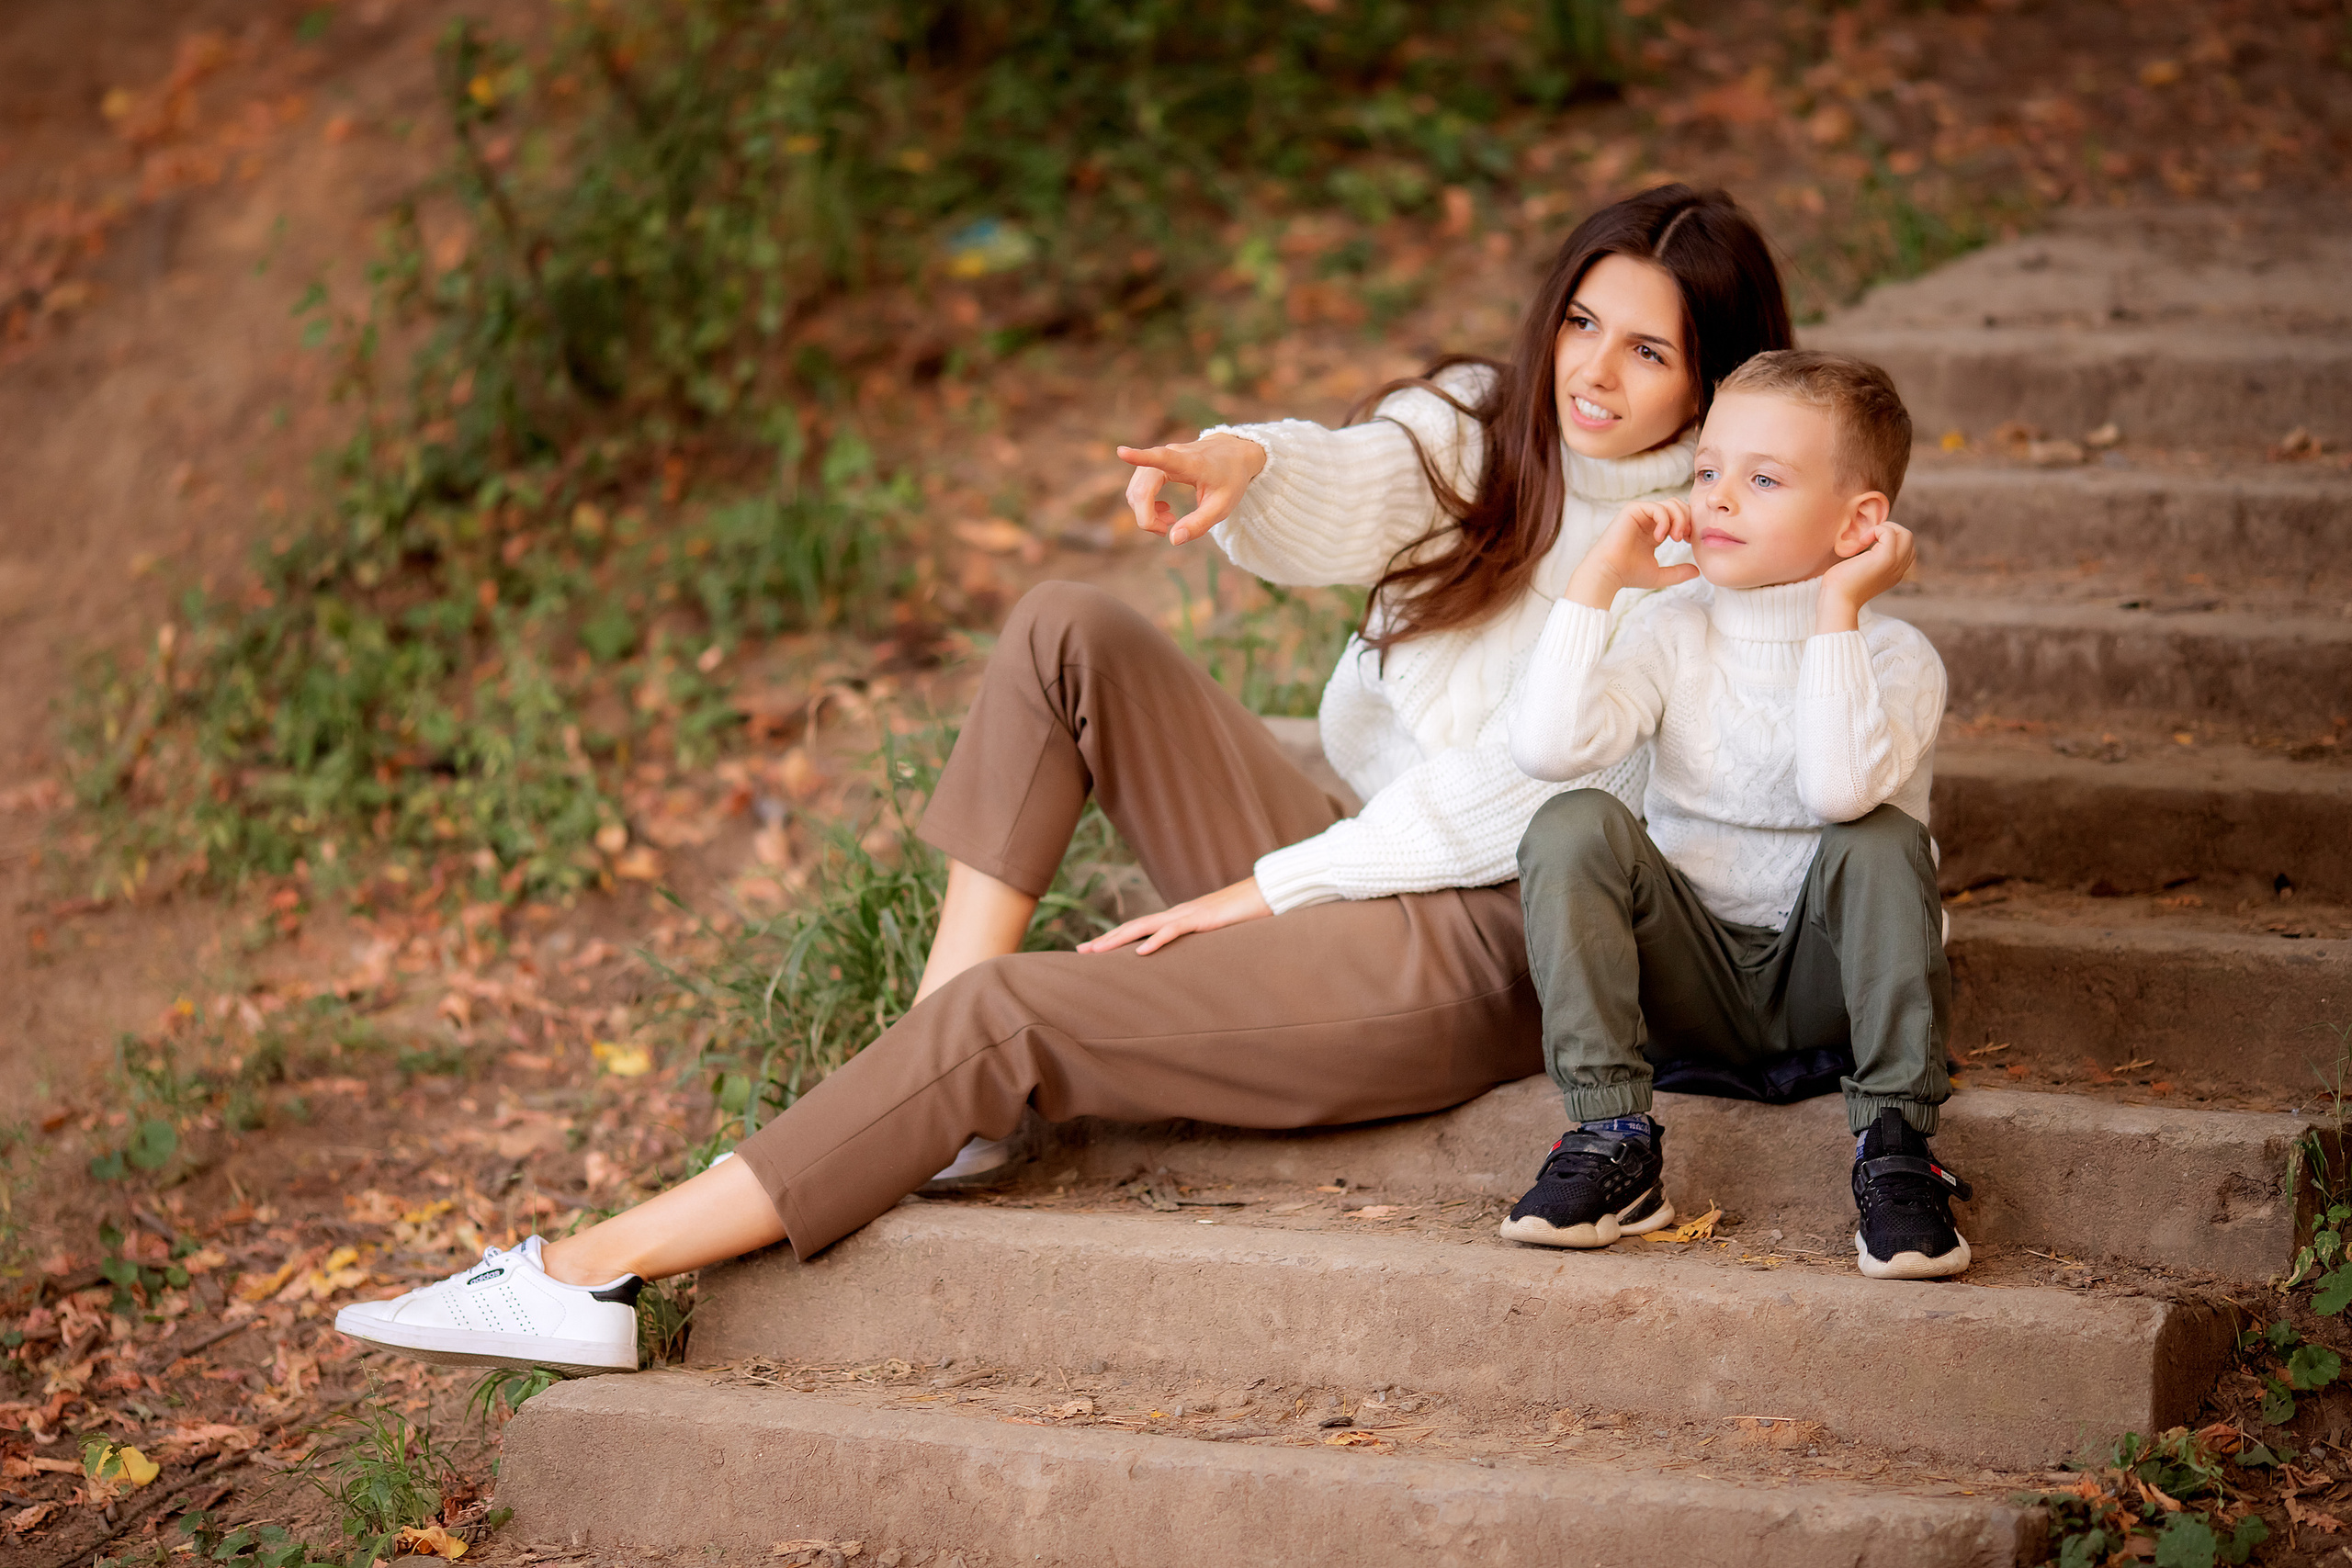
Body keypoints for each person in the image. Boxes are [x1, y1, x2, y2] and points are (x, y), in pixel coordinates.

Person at [334, 186, 1798, 1376]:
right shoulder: (1495, 423)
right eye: (1585, 321)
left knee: (1010, 1008)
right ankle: (936, 1087)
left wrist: (1262, 889)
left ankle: (588, 1271)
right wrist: (1241, 460)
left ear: (1715, 380)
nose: (1592, 372)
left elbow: (1522, 797)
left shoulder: (1700, 559)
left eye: (1648, 352)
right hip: (1362, 856)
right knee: (1065, 627)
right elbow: (1361, 465)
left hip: (1484, 943)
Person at [1498, 348, 1967, 1280]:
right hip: (1690, 980)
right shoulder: (1671, 630)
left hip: (1829, 985)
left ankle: (1897, 1150)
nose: (1716, 498)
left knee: (1878, 834)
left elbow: (1837, 791)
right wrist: (1599, 579)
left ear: (1858, 523)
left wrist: (1839, 607)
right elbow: (1544, 750)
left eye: (1762, 479)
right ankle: (1612, 1144)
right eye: (1707, 470)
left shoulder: (1894, 655)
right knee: (1571, 820)